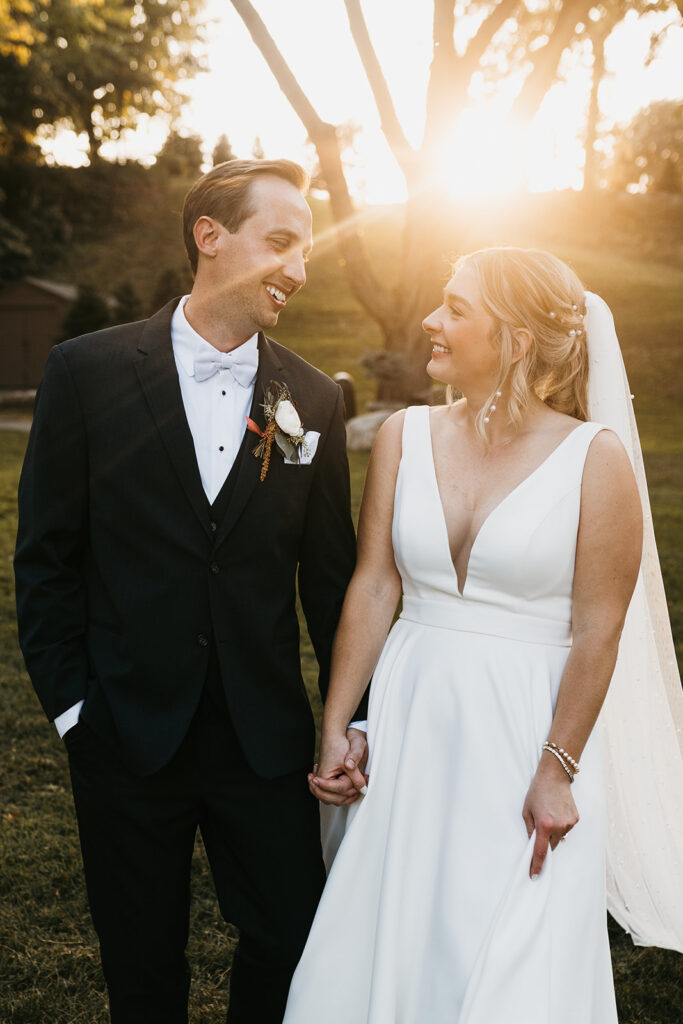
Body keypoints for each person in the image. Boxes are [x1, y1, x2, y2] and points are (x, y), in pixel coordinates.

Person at [282, 246, 681, 1022]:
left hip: (526, 736)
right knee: (383, 942)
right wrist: (338, 724)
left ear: (516, 339)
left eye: (456, 309)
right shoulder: (403, 433)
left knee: (510, 962)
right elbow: (374, 584)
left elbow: (599, 628)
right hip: (412, 723)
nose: (431, 321)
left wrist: (556, 770)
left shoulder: (592, 460)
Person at [14, 158, 368, 1024]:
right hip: (125, 735)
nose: (297, 267)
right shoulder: (84, 372)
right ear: (209, 236)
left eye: (305, 250)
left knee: (290, 939)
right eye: (279, 242)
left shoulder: (314, 401)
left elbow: (331, 583)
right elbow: (46, 560)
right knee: (141, 965)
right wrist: (73, 712)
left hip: (265, 741)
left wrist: (353, 720)